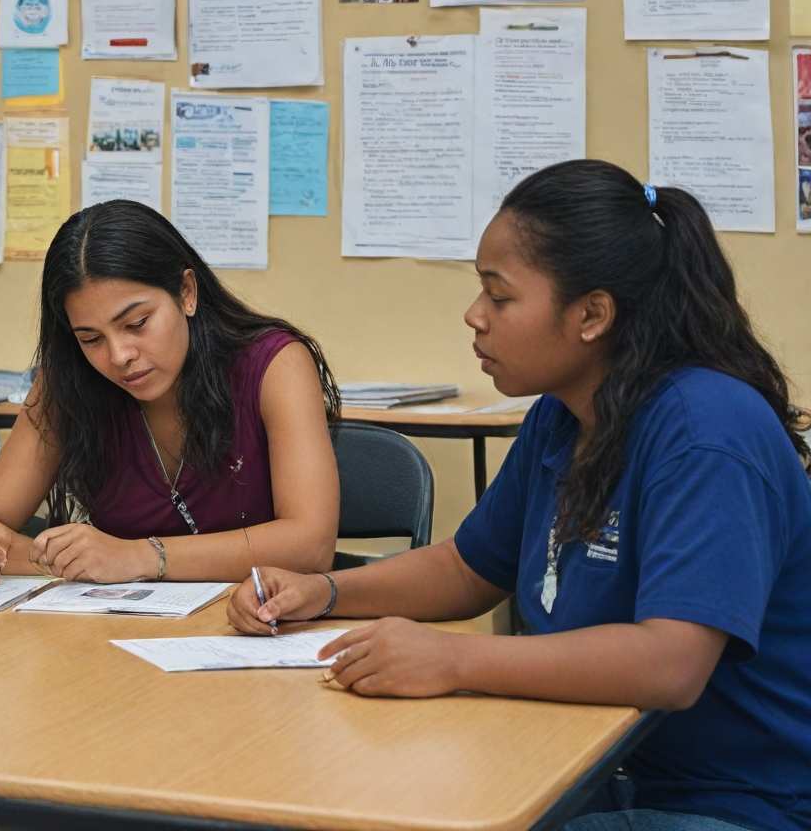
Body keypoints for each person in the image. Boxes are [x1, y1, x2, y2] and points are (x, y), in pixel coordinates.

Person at [229, 159, 811, 831]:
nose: (474, 316)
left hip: (739, 803)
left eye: (499, 297)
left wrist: (453, 658)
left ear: (592, 314)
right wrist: (326, 593)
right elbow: (468, 568)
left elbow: (671, 663)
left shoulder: (707, 432)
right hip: (589, 765)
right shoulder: (564, 414)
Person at [0, 199, 339, 587]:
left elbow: (310, 545)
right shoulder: (69, 382)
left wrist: (139, 557)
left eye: (137, 323)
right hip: (115, 635)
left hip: (256, 628)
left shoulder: (276, 365)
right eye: (91, 338)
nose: (119, 356)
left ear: (186, 292)